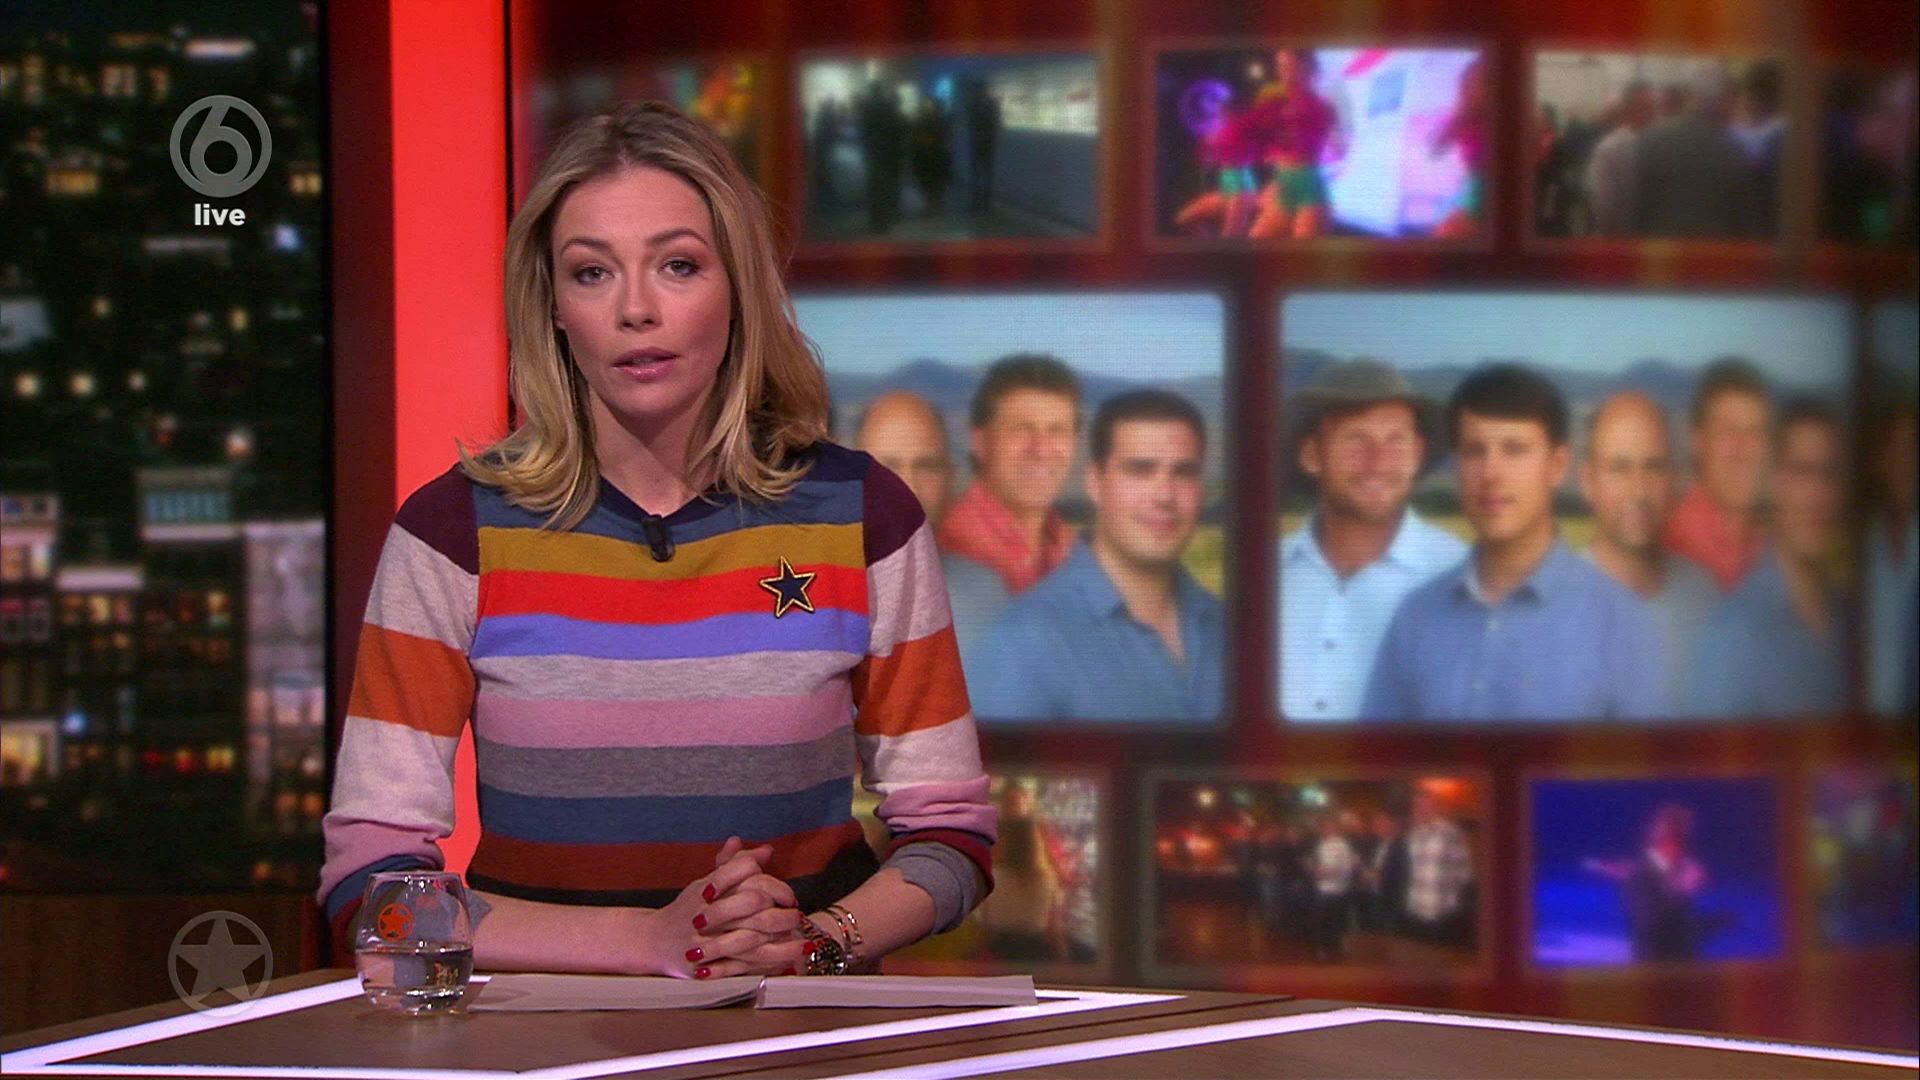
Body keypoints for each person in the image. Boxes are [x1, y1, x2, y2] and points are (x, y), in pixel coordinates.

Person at [315, 101, 996, 980]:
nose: (636, 309)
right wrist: (644, 943)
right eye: (592, 273)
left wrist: (814, 943)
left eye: (678, 265)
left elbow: (951, 838)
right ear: (553, 307)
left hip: (796, 1026)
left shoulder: (862, 514)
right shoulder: (452, 533)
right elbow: (373, 892)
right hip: (544, 1033)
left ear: (737, 287)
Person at [1361, 364, 1665, 722]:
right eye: (1474, 451)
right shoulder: (1416, 618)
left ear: (1557, 465)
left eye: (1514, 449)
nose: (1491, 473)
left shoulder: (1621, 624)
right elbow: (1378, 753)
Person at [971, 390, 1224, 723]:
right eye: (1140, 470)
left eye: (1184, 472)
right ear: (1094, 482)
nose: (1165, 495)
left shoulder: (1228, 625)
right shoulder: (1023, 642)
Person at [1279, 359, 1466, 722]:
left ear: (1417, 454)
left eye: (1396, 440)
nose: (1378, 462)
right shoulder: (1260, 576)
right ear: (1312, 455)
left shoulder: (1463, 579)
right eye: (1356, 440)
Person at [1690, 400, 1849, 718]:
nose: (1817, 494)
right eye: (1802, 472)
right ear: (1774, 483)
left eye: (1830, 474)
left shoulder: (1852, 614)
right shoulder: (1732, 632)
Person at [1578, 392, 1719, 710]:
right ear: (1588, 482)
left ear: (1675, 479)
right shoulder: (1550, 609)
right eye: (1619, 468)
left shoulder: (1705, 599)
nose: (1638, 491)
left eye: (1654, 468)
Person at [852, 391, 1008, 662]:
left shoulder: (989, 599)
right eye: (887, 469)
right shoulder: (810, 601)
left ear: (950, 479)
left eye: (927, 467)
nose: (909, 489)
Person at [937, 354, 1081, 594]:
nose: (1042, 449)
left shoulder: (1072, 550)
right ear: (980, 442)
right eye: (1021, 429)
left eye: (1058, 430)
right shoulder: (947, 551)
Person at [1662, 357, 1774, 591]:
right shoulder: (1665, 549)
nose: (1742, 449)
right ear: (1697, 441)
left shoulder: (1775, 551)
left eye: (1755, 432)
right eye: (1728, 431)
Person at [1629, 65, 1764, 238]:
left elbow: (1635, 207)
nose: (1736, 108)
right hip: (1714, 250)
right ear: (1725, 101)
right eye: (1735, 100)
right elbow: (1745, 218)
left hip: (1660, 248)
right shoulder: (1732, 149)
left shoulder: (1651, 140)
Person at [1584, 803, 1712, 962]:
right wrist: (1597, 866)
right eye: (1656, 825)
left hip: (1668, 948)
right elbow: (1629, 870)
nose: (1653, 829)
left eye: (1659, 825)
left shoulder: (1689, 868)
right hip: (1650, 945)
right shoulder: (1652, 861)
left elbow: (1678, 895)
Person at [1864, 390, 1918, 716]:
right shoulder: (1857, 554)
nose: (1904, 463)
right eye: (1895, 450)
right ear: (1879, 462)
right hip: (1867, 729)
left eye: (1911, 449)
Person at [1400, 789, 1475, 946]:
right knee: (1417, 955)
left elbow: (1464, 872)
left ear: (1435, 807)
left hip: (1442, 911)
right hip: (1415, 910)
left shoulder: (1450, 832)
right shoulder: (1412, 835)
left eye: (1425, 805)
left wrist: (1451, 897)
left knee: (1441, 957)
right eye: (1416, 806)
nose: (1421, 810)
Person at [1585, 79, 1655, 236]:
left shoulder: (1660, 144)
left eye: (1652, 107)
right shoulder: (1609, 149)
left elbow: (1602, 203)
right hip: (1623, 236)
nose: (1651, 113)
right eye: (1644, 107)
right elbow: (1603, 204)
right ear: (1627, 109)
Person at [1309, 811, 1359, 961]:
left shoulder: (1343, 845)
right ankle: (1321, 948)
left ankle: (1335, 946)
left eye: (1330, 827)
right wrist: (1314, 869)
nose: (1327, 830)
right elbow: (1315, 864)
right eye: (1325, 827)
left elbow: (1349, 867)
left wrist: (1332, 871)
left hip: (1338, 889)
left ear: (1336, 828)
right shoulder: (1320, 844)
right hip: (1322, 888)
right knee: (1321, 920)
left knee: (1336, 920)